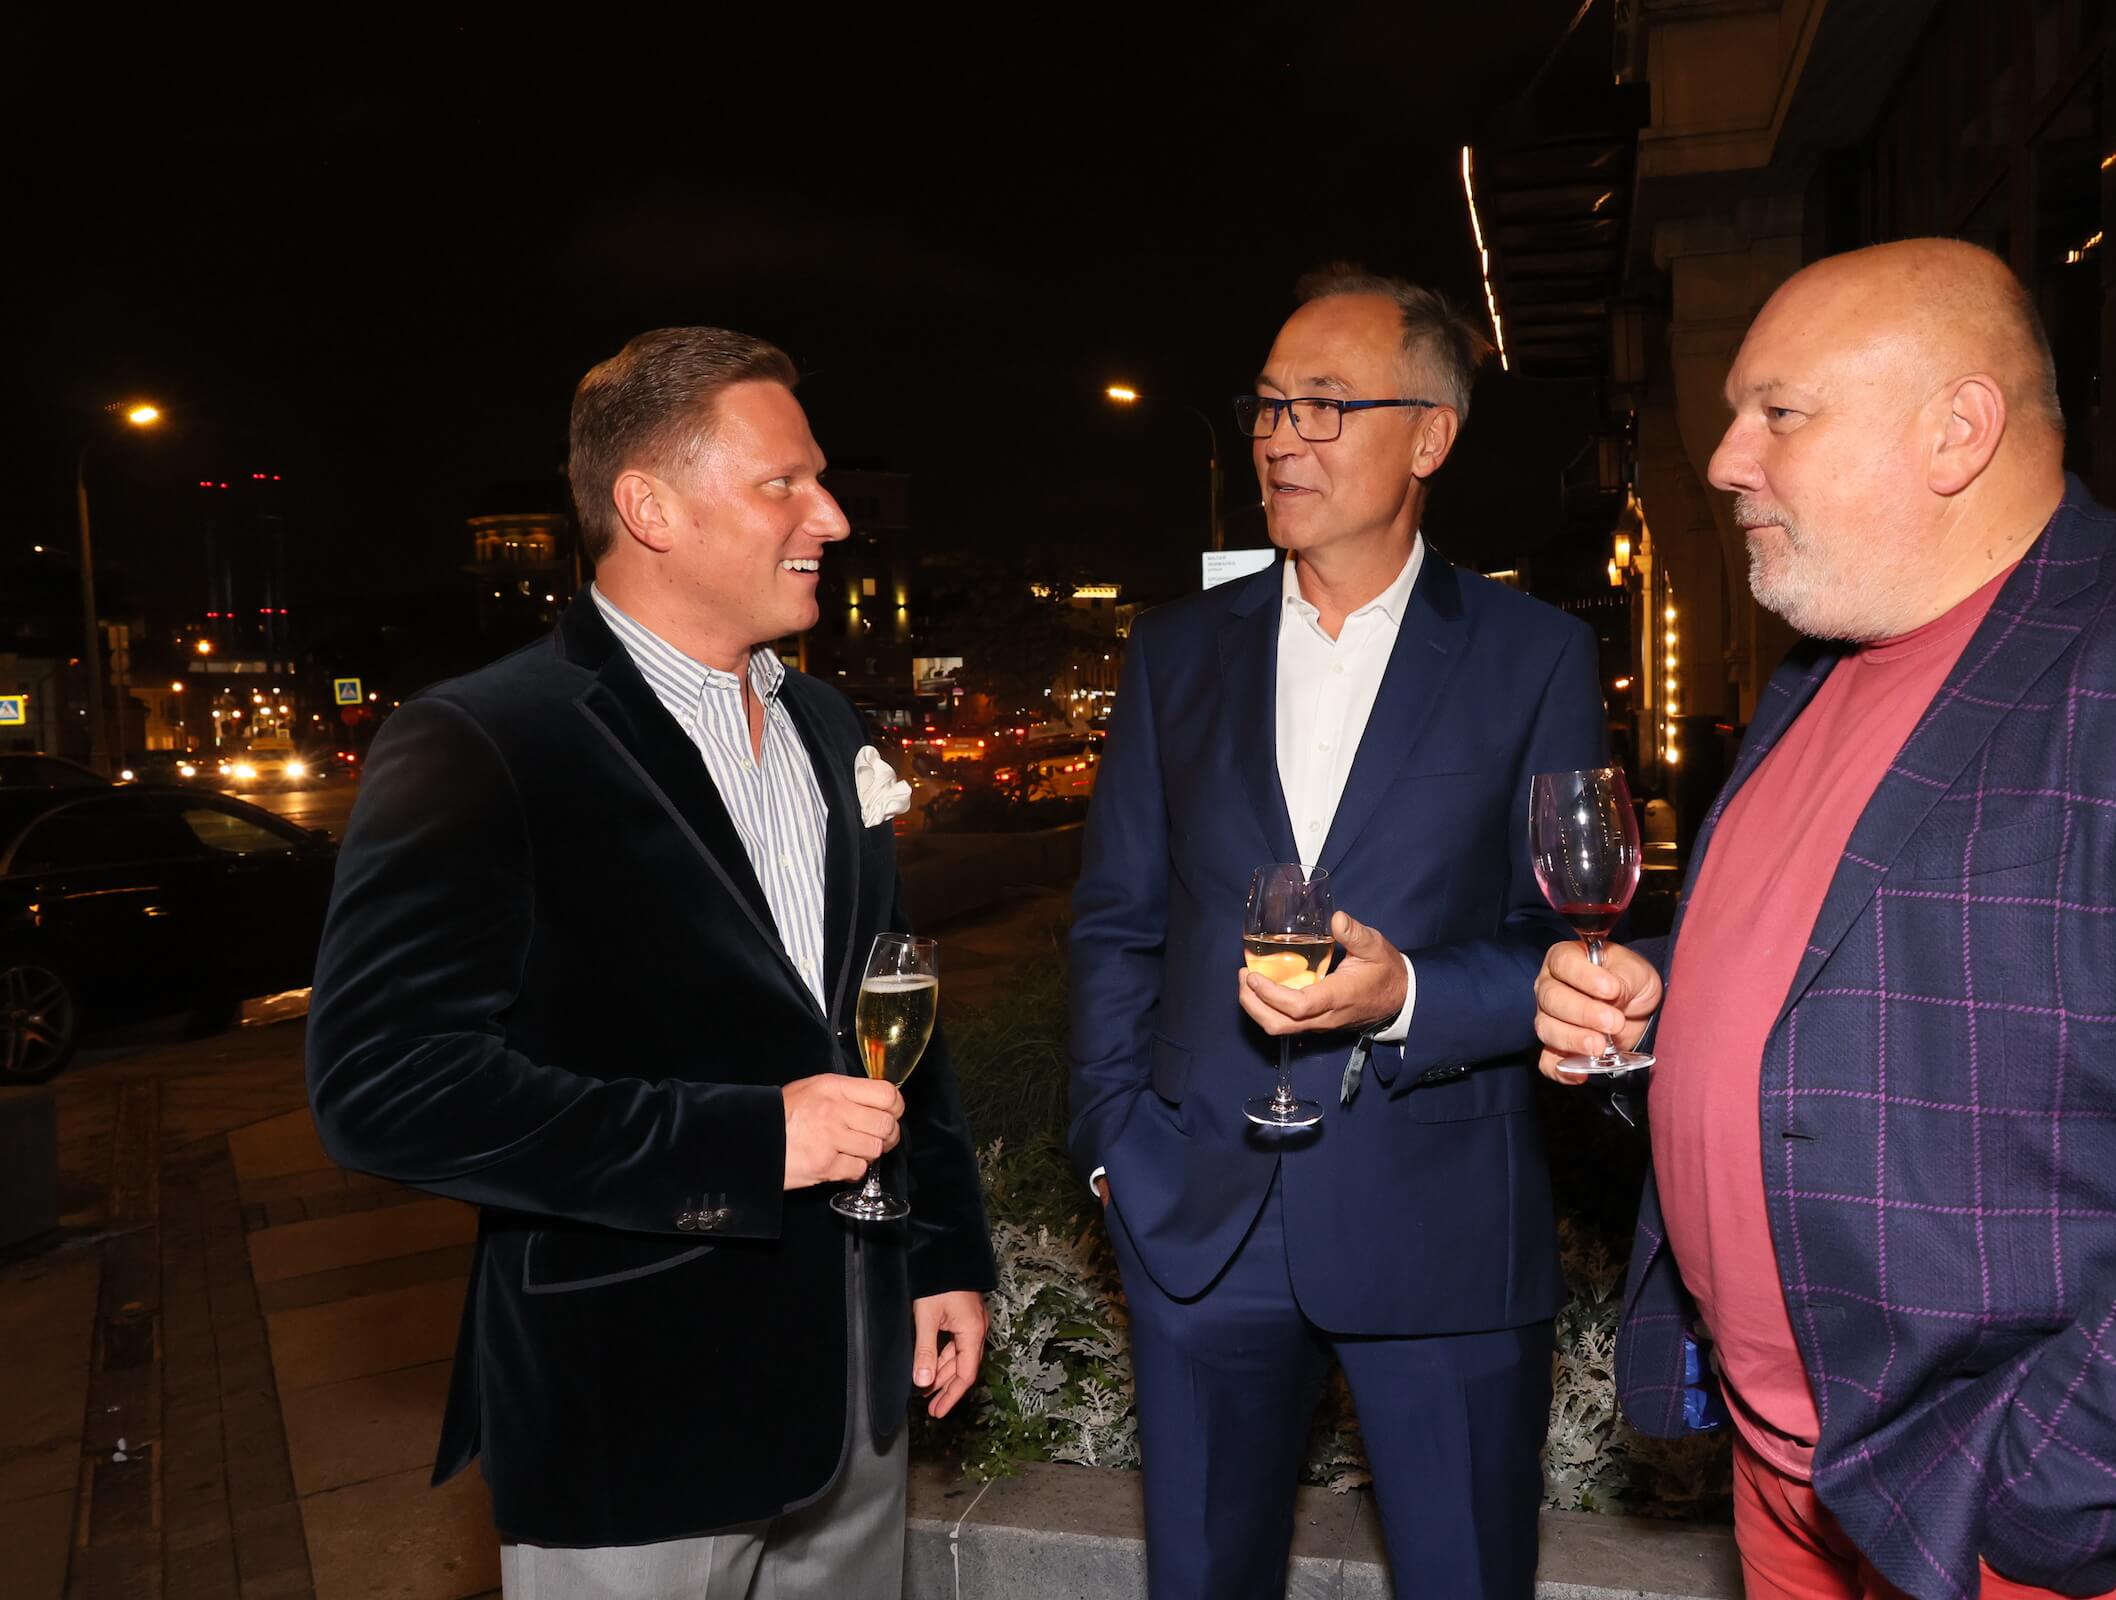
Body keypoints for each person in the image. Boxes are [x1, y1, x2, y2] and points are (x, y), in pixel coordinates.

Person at [1534, 239, 2116, 1600]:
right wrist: (1667, 999)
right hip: (1789, 1486)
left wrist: (2051, 1492)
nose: (1727, 460)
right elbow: (1887, 957)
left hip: (2006, 1522)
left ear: (1958, 429)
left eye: (1778, 412)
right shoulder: (1816, 676)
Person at [308, 327, 994, 1598]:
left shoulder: (826, 720)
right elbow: (385, 1085)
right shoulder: (479, 739)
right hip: (632, 1405)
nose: (833, 517)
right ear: (649, 508)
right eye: (785, 483)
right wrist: (741, 1142)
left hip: (859, 1387)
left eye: (820, 480)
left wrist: (944, 1251)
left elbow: (890, 1013)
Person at [1067, 268, 1606, 1598]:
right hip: (1197, 1218)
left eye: (1324, 403)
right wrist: (1113, 1147)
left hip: (1443, 1219)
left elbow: (1570, 944)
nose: (1279, 437)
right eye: (1267, 406)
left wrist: (1407, 992)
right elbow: (1119, 922)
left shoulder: (1531, 655)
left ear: (1430, 436)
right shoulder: (1174, 652)